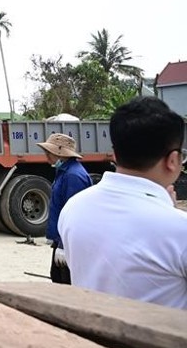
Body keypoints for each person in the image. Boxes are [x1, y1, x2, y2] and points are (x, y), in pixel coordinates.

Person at [59, 97, 187, 309]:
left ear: (115, 153)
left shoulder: (73, 208)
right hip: (155, 342)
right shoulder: (179, 229)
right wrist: (170, 214)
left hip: (89, 337)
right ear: (173, 160)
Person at [39, 133, 92, 285]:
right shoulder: (64, 172)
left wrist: (64, 245)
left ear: (59, 153)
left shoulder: (73, 176)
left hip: (69, 242)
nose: (46, 156)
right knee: (57, 278)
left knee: (66, 284)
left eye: (48, 152)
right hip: (63, 238)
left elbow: (74, 215)